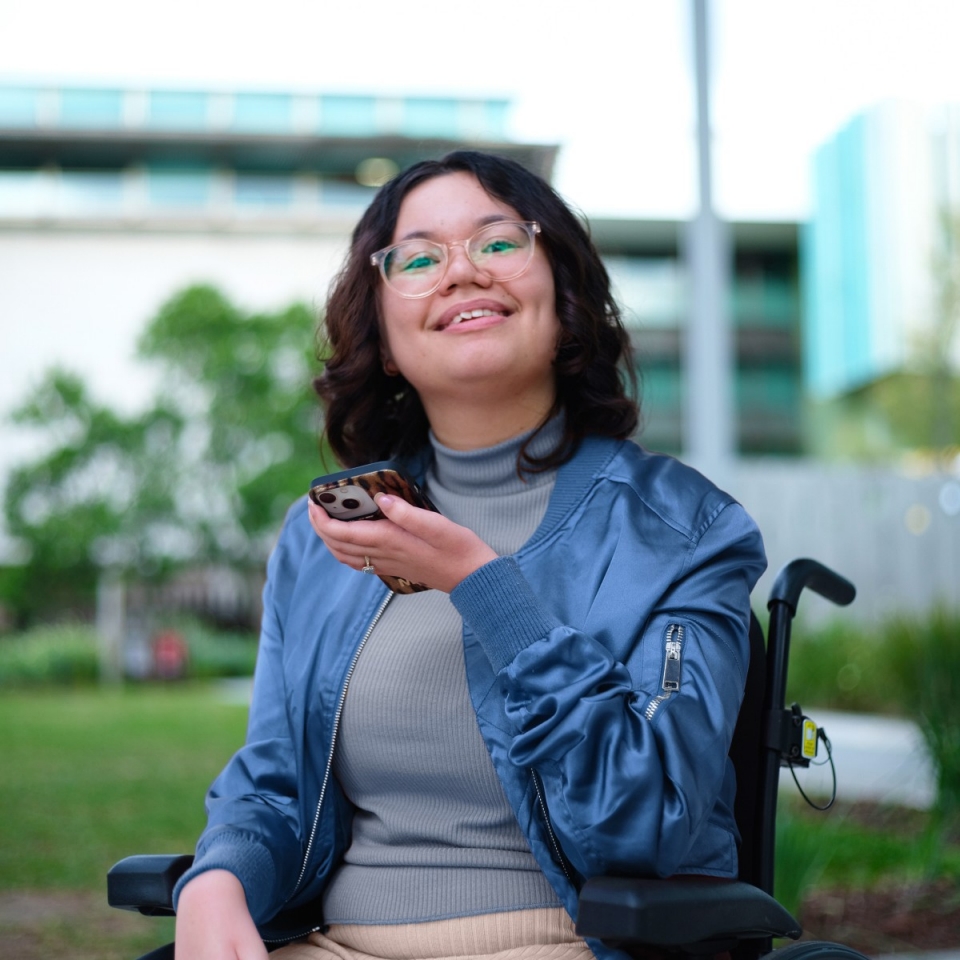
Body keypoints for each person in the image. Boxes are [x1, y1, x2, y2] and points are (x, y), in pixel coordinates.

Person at [173, 150, 766, 960]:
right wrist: (220, 875)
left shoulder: (682, 530)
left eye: (496, 243)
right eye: (417, 258)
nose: (459, 273)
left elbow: (648, 824)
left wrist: (485, 588)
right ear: (383, 339)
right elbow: (276, 781)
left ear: (564, 300)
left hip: (559, 943)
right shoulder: (325, 540)